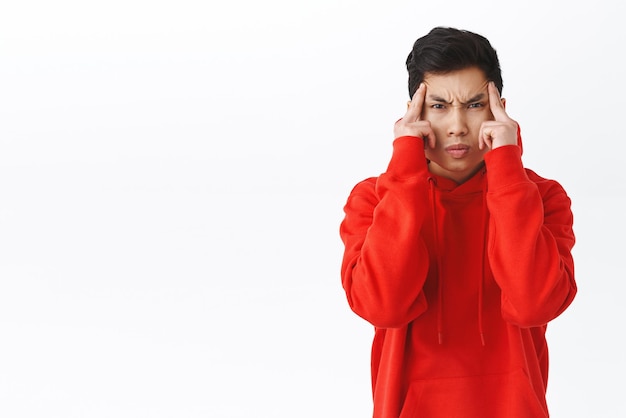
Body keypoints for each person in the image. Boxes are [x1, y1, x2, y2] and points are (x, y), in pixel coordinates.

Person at [339, 27, 576, 418]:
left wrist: (506, 168)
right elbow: (384, 307)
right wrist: (405, 171)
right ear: (413, 112)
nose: (456, 126)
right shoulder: (375, 198)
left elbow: (535, 303)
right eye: (438, 106)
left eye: (473, 104)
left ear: (499, 107)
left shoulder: (542, 196)